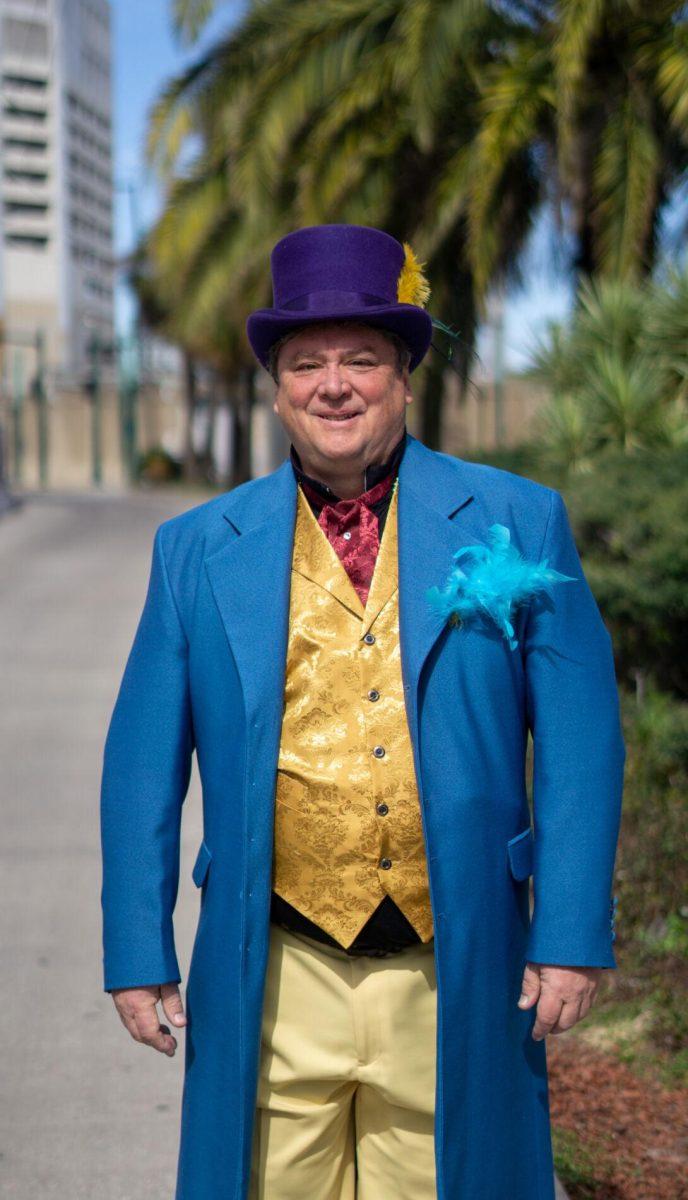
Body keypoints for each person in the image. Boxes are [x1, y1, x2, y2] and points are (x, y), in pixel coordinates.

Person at [100, 223, 625, 1200]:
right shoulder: (194, 547)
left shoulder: (516, 518)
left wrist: (568, 935)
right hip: (275, 969)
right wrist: (138, 949)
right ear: (276, 384)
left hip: (453, 968)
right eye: (306, 363)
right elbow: (141, 764)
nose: (332, 385)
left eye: (360, 360)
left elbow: (583, 741)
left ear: (405, 374)